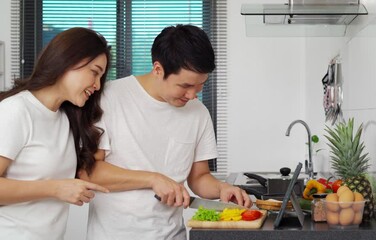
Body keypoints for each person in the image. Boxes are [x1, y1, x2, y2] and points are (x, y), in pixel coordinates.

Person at [79, 24, 252, 240]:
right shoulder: (109, 98)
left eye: (200, 86)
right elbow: (89, 171)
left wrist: (221, 189)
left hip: (172, 235)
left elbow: (199, 177)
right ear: (158, 69)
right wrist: (153, 179)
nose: (192, 95)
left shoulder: (198, 112)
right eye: (185, 85)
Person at [0, 27, 111, 240]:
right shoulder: (16, 110)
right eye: (94, 72)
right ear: (68, 61)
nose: (97, 85)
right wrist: (55, 188)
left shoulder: (67, 118)